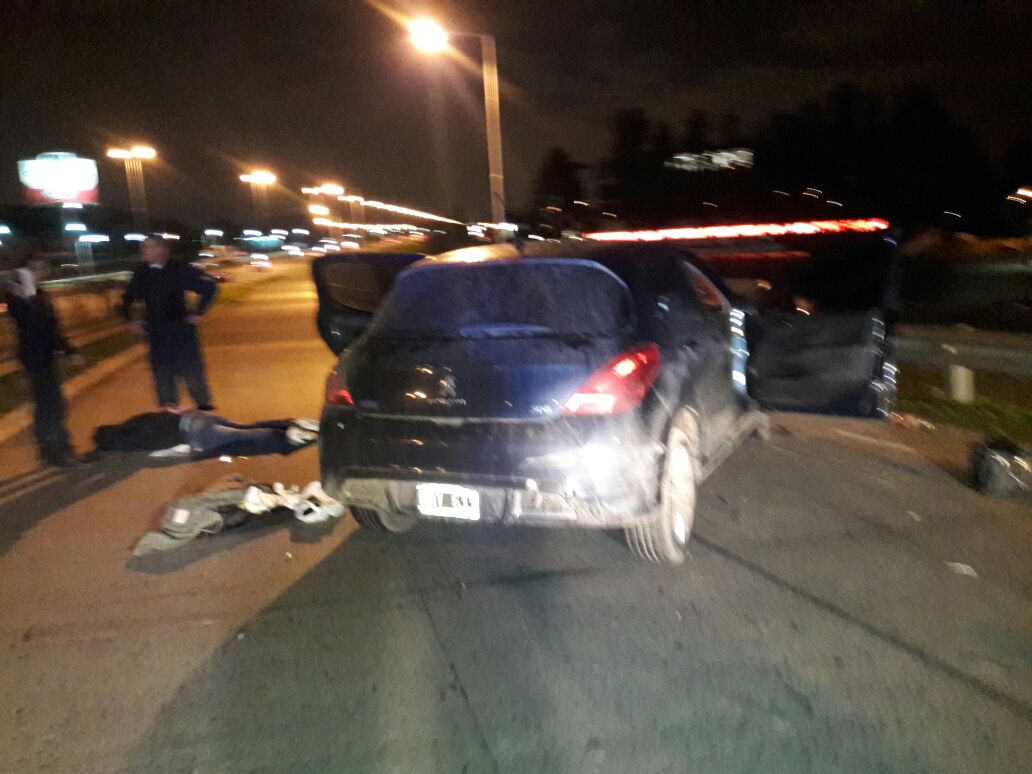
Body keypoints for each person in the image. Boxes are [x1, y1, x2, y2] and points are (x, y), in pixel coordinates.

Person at [4, 256, 86, 467]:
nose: (44, 274)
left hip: (45, 357)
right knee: (51, 406)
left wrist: (69, 350)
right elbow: (27, 318)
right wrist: (25, 284)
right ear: (28, 270)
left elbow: (52, 329)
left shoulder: (38, 295)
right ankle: (56, 449)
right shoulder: (18, 295)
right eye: (39, 270)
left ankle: (52, 450)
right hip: (34, 359)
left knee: (51, 405)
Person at [121, 236, 218, 410]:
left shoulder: (179, 269)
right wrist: (130, 319)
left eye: (147, 247)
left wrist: (198, 312)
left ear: (161, 250)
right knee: (163, 379)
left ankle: (206, 417)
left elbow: (210, 287)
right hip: (156, 334)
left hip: (181, 333)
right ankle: (170, 421)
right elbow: (128, 298)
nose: (142, 251)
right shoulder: (142, 273)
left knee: (192, 376)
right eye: (143, 247)